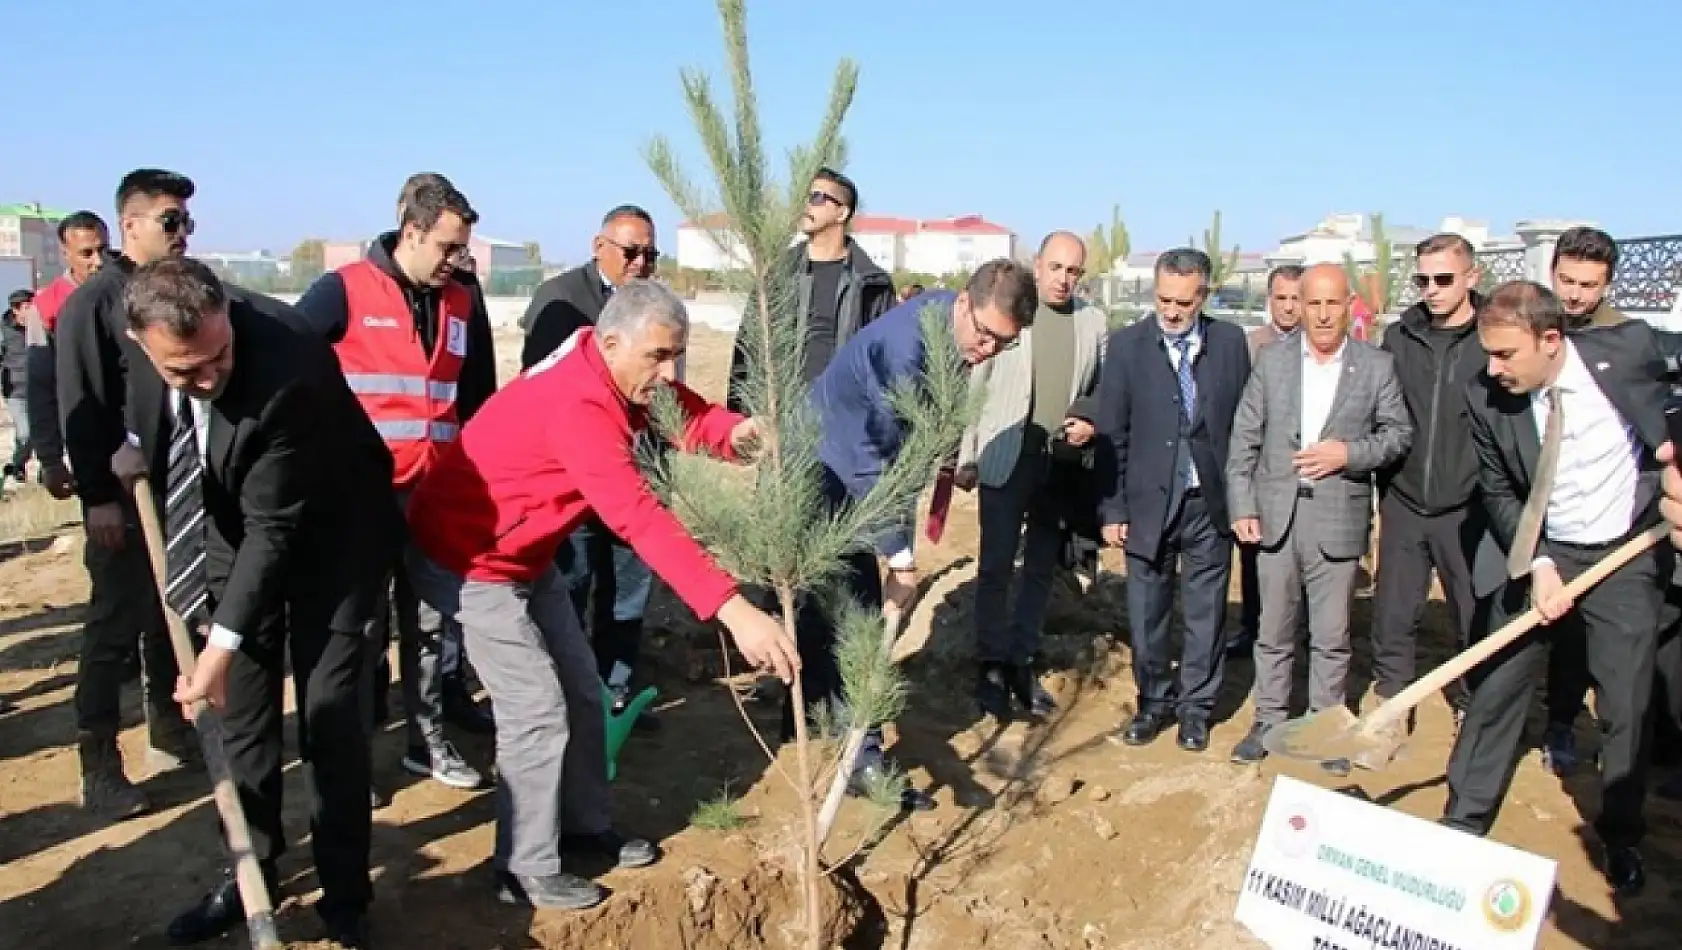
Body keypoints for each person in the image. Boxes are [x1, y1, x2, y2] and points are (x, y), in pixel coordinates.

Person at [405, 279, 799, 911]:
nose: (668, 372)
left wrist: (736, 435)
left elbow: (684, 413)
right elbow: (639, 518)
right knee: (536, 707)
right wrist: (735, 610)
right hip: (469, 556)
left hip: (523, 553)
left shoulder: (610, 359)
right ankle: (521, 868)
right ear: (613, 342)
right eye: (658, 358)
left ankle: (585, 827)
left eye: (677, 356)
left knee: (584, 691)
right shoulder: (580, 406)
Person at [111, 258, 400, 947]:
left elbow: (275, 530)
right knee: (243, 715)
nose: (209, 379)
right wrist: (126, 450)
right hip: (231, 526)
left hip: (336, 538)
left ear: (228, 319)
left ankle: (345, 898)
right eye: (186, 371)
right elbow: (148, 422)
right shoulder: (141, 333)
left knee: (329, 716)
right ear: (140, 340)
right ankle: (252, 877)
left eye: (219, 358)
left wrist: (218, 645)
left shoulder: (287, 362)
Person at [1443, 281, 1677, 898]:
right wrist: (1539, 565)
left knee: (1627, 704)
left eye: (1505, 355)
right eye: (1487, 353)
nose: (1492, 369)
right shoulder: (1485, 396)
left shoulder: (1628, 352)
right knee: (1496, 684)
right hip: (1545, 548)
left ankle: (1621, 835)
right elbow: (1498, 490)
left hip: (1625, 553)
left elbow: (1669, 411)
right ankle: (1462, 818)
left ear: (1552, 341)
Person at [808, 257, 1036, 800]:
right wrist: (902, 558)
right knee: (858, 613)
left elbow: (906, 456)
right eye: (984, 335)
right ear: (964, 301)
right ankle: (859, 760)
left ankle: (830, 724)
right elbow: (874, 460)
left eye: (1002, 345)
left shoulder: (947, 323)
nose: (986, 352)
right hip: (823, 464)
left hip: (860, 466)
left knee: (840, 611)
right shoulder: (905, 352)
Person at [296, 175, 497, 791]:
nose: (454, 261)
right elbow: (295, 368)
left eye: (462, 249)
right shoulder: (343, 292)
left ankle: (426, 743)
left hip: (435, 498)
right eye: (445, 248)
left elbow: (478, 395)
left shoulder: (463, 298)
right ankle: (348, 759)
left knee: (433, 626)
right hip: (361, 499)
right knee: (356, 632)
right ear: (412, 231)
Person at [1225, 264, 1411, 764]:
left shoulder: (1376, 367)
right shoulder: (1273, 361)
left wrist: (1346, 454)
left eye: (1333, 304)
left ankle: (1327, 728)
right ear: (1298, 306)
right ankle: (1268, 722)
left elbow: (1397, 435)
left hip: (1337, 518)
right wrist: (1242, 504)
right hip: (1277, 516)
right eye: (1314, 304)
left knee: (1332, 636)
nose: (1324, 315)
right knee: (1274, 632)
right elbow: (1245, 437)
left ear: (1349, 304)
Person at [55, 170, 198, 817]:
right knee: (114, 626)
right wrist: (98, 496)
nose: (183, 234)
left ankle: (170, 732)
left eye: (187, 223)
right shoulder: (97, 302)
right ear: (132, 224)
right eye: (172, 221)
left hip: (177, 490)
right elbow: (81, 409)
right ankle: (99, 764)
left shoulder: (170, 294)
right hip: (123, 497)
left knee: (173, 617)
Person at [1096, 249, 1251, 753]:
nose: (1171, 310)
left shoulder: (1229, 344)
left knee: (1206, 611)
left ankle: (1196, 710)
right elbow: (1112, 433)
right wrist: (1113, 508)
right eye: (1163, 298)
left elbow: (1243, 428)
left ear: (1203, 296)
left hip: (1208, 502)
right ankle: (1153, 704)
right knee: (1147, 611)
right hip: (1146, 504)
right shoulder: (1127, 347)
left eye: (1183, 302)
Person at [516, 205, 664, 727]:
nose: (641, 262)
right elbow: (538, 390)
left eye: (651, 252)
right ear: (599, 245)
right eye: (631, 251)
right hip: (575, 480)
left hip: (639, 470)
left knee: (628, 592)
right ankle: (570, 694)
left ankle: (616, 690)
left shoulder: (655, 305)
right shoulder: (559, 300)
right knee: (570, 585)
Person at [955, 233, 1107, 720]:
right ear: (1037, 266)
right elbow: (976, 378)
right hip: (1006, 453)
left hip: (1059, 463)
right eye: (1056, 267)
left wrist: (1089, 420)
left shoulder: (1094, 324)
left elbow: (1101, 388)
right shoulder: (1013, 311)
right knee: (997, 566)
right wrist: (966, 454)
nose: (1064, 278)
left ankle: (1022, 661)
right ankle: (991, 667)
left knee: (1042, 567)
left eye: (1074, 271)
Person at [1361, 234, 1489, 769]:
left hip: (1471, 506)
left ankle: (1471, 704)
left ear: (1471, 278)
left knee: (1473, 610)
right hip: (1407, 499)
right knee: (1394, 611)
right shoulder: (1400, 338)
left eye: (1444, 279)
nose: (1432, 291)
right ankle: (1393, 703)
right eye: (1423, 280)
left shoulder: (1492, 337)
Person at [1537, 226, 1630, 773]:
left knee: (1589, 647)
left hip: (1609, 528)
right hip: (1543, 520)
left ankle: (1570, 725)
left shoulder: (1626, 342)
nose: (1573, 295)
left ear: (1607, 283)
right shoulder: (1535, 329)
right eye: (1565, 280)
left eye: (1587, 285)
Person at [726, 166, 896, 410]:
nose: (805, 205)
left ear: (842, 212)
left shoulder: (871, 284)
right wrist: (737, 419)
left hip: (843, 420)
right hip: (782, 418)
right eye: (802, 197)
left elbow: (886, 359)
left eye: (816, 198)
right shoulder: (777, 275)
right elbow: (747, 350)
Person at [1231, 264, 1305, 658]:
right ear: (1269, 300)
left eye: (1297, 298)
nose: (1290, 307)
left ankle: (1297, 630)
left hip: (1303, 469)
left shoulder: (1318, 346)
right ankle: (1251, 627)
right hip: (1260, 470)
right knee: (1254, 554)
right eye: (1282, 298)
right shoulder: (1250, 345)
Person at [27, 210, 109, 502]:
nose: (97, 261)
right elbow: (40, 385)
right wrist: (50, 459)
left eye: (102, 250)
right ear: (65, 254)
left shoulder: (125, 291)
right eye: (86, 253)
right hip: (85, 439)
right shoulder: (47, 306)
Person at [3, 290, 33, 487]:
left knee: (37, 433)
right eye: (27, 308)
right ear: (16, 310)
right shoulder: (4, 332)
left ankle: (20, 468)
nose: (31, 311)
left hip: (39, 387)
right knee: (26, 433)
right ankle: (17, 465)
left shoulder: (39, 327)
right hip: (15, 391)